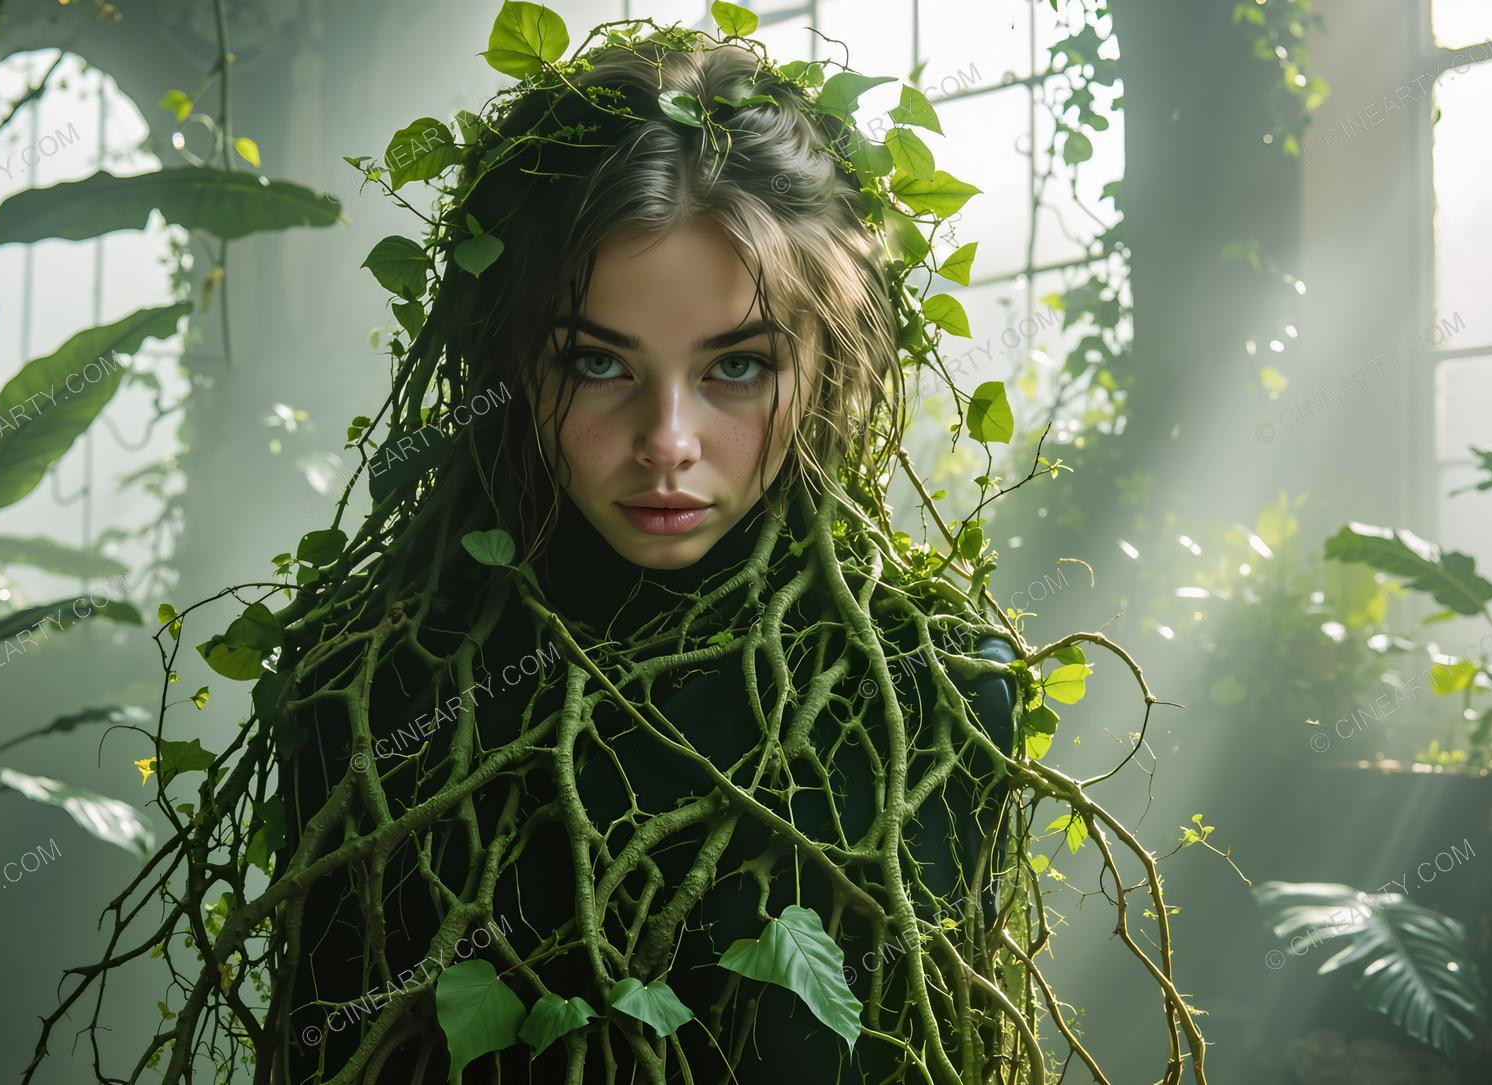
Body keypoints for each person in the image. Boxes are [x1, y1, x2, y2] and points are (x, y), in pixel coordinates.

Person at [269, 20, 1026, 1084]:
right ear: (509, 361)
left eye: (737, 369)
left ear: (829, 364)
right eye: (595, 362)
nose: (665, 443)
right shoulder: (372, 686)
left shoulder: (936, 691)